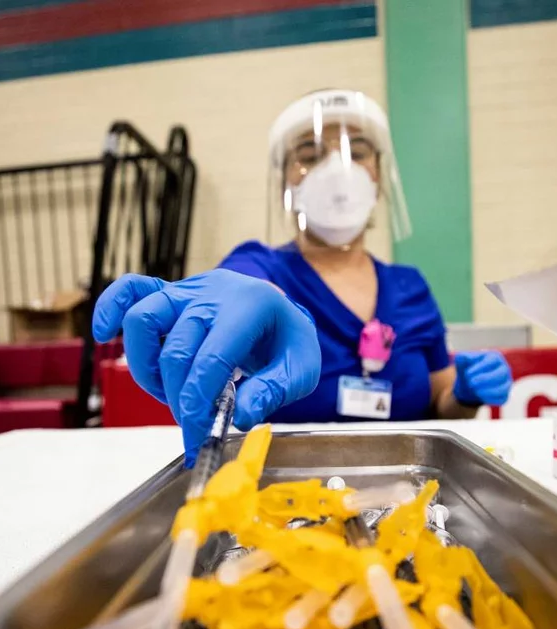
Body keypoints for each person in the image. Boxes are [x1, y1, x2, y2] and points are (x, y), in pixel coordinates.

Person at [94, 89, 512, 465]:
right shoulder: (261, 267)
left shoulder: (410, 287)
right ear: (284, 184)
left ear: (380, 174)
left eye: (358, 151)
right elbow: (245, 286)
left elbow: (441, 403)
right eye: (310, 156)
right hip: (288, 498)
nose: (337, 169)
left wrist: (464, 394)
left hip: (407, 491)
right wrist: (231, 293)